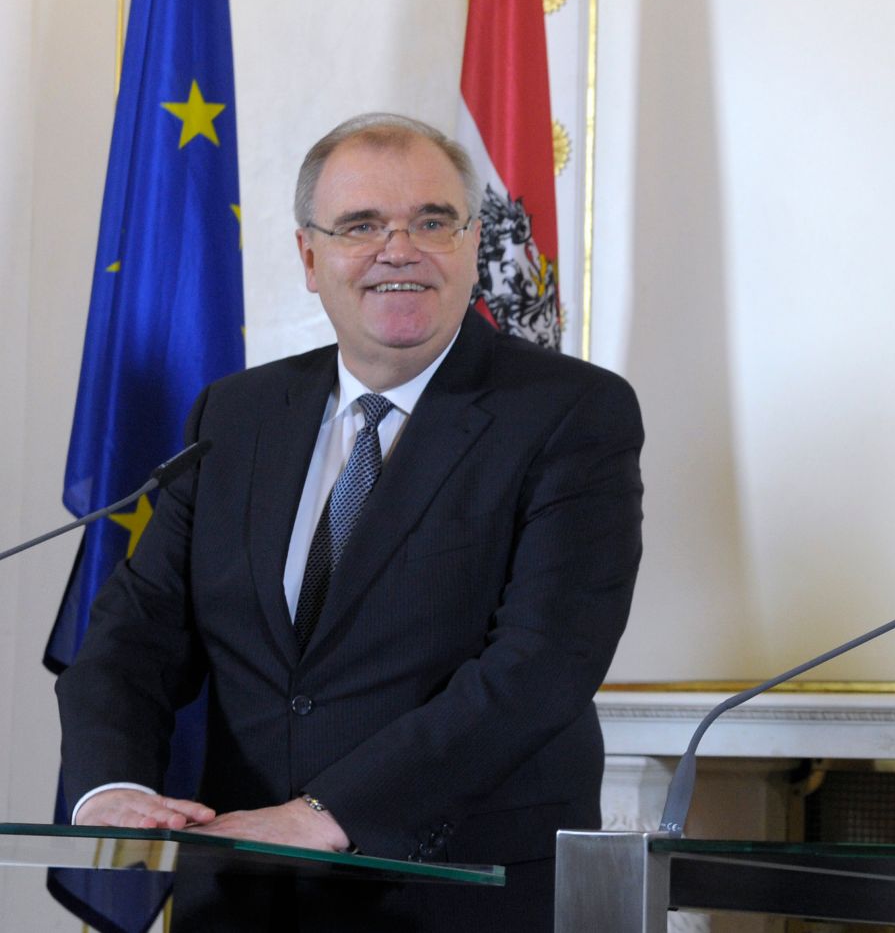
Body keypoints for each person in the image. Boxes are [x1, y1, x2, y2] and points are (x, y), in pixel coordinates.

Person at [55, 113, 643, 931]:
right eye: (361, 225)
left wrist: (330, 811)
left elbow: (541, 666)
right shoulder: (235, 415)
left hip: (459, 893)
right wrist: (113, 786)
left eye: (432, 222)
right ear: (309, 257)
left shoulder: (571, 412)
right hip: (244, 891)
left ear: (474, 244)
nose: (398, 250)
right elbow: (134, 634)